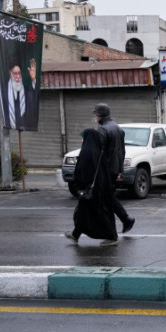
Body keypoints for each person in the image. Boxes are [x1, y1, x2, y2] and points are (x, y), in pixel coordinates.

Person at [64, 129, 118, 246]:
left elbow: (81, 171)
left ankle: (111, 236)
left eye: (83, 137)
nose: (82, 140)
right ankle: (75, 234)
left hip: (90, 190)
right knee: (82, 213)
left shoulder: (86, 152)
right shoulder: (100, 151)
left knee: (97, 213)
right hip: (100, 188)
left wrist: (76, 185)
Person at [93, 103, 135, 233]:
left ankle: (123, 220)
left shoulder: (103, 130)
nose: (94, 116)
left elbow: (98, 153)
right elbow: (122, 151)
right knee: (108, 196)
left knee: (106, 197)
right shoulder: (117, 128)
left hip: (105, 170)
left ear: (100, 115)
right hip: (114, 169)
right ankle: (125, 219)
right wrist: (119, 170)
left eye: (95, 114)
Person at [3, 64, 25, 130]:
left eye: (19, 73)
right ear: (10, 74)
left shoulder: (26, 90)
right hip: (10, 127)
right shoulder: (5, 91)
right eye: (15, 73)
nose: (18, 76)